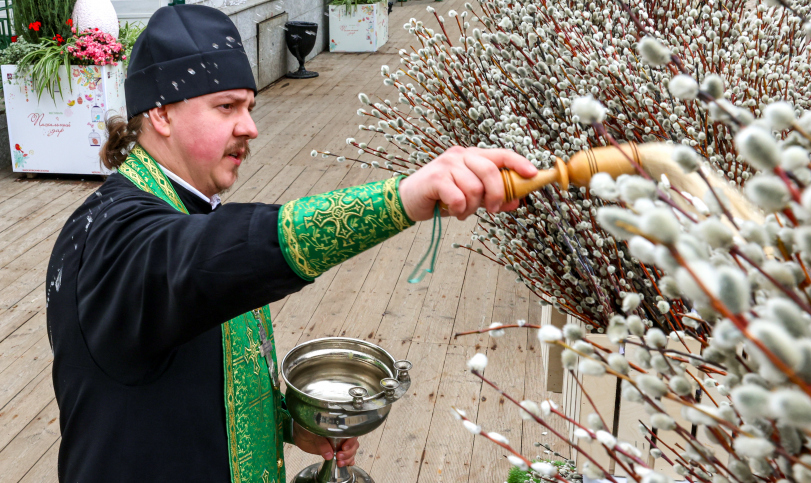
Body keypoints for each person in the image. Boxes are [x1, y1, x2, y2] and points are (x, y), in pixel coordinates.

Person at [45, 4, 537, 482]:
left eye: (250, 106)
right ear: (161, 115)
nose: (250, 127)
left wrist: (289, 425)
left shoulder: (185, 204)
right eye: (225, 107)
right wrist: (403, 197)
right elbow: (207, 257)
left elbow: (188, 374)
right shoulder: (111, 238)